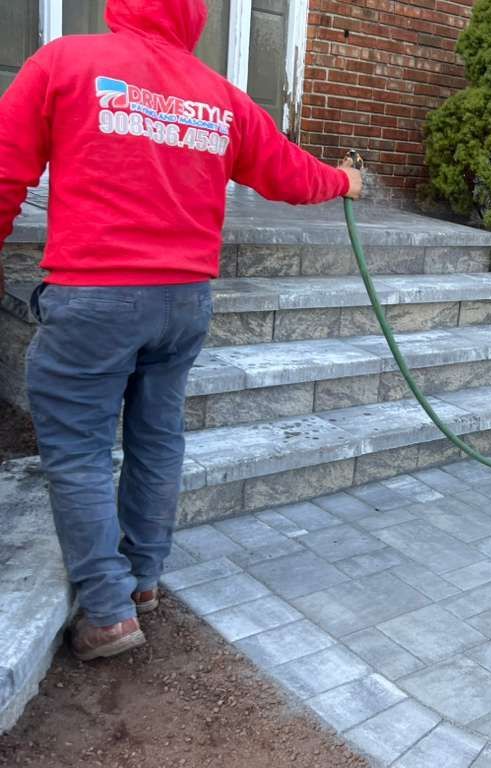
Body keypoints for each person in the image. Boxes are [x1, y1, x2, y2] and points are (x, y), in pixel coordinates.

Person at [0, 0, 363, 661]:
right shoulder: (220, 96)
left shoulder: (64, 62)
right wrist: (344, 178)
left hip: (96, 298)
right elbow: (287, 172)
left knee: (79, 454)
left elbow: (4, 171)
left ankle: (108, 612)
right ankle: (142, 580)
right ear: (194, 17)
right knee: (157, 440)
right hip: (182, 302)